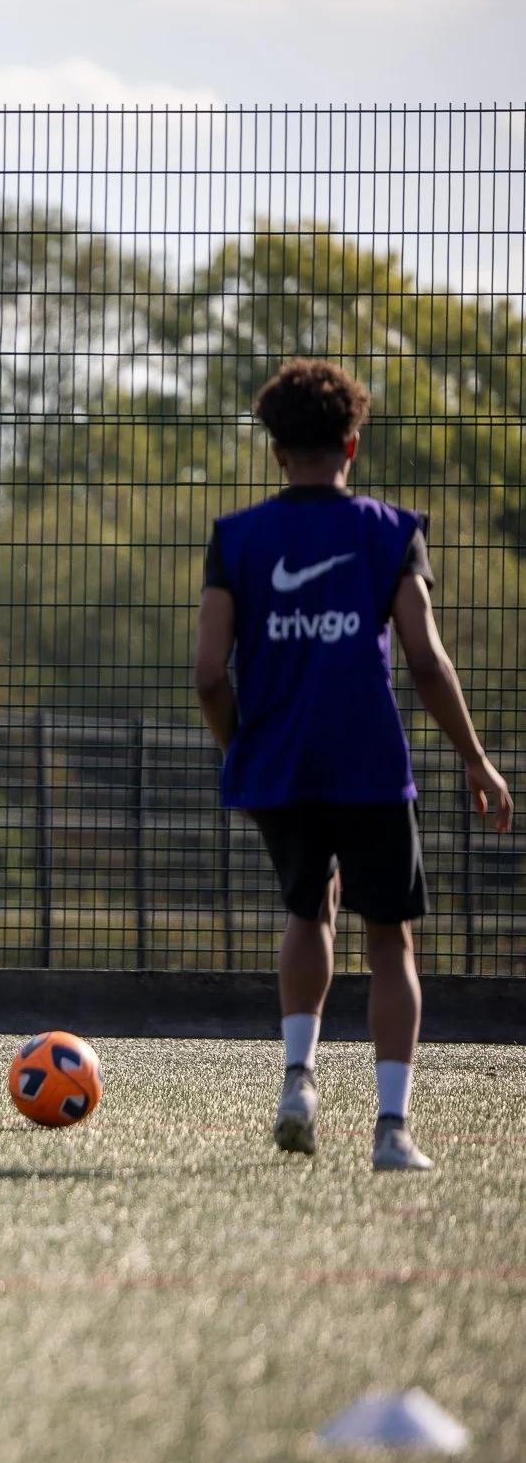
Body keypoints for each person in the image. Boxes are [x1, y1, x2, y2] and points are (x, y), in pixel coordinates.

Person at [193, 359, 511, 1171]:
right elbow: (428, 660)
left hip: (283, 763)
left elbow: (206, 673)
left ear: (274, 451)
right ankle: (392, 1129)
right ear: (352, 444)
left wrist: (242, 748)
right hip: (369, 762)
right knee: (391, 939)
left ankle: (299, 1076)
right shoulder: (388, 530)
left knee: (309, 911)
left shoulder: (237, 538)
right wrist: (475, 757)